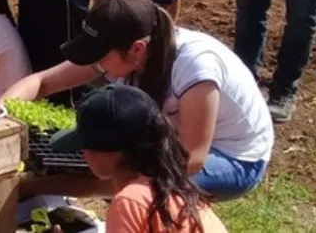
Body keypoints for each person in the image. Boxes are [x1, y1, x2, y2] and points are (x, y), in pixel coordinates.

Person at [2, 0, 274, 201]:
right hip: (173, 139)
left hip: (234, 158)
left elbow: (192, 159)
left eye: (101, 56)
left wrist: (30, 188)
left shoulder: (196, 68)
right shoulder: (127, 49)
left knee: (136, 182)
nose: (95, 64)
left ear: (137, 49)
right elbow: (40, 82)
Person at [50, 84, 228, 232]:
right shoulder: (177, 188)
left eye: (86, 146)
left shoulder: (129, 202)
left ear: (109, 152)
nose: (83, 154)